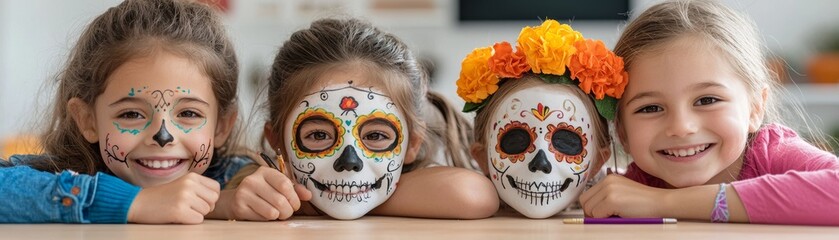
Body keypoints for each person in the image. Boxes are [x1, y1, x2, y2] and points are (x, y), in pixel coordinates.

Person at [579, 0, 839, 225]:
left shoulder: (771, 153)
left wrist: (663, 202)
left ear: (755, 108)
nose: (681, 127)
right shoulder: (631, 187)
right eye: (650, 108)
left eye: (707, 100)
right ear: (622, 130)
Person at [0, 0, 256, 224]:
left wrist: (224, 202)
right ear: (87, 120)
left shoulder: (233, 178)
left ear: (222, 125)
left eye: (189, 113)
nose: (163, 137)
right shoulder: (64, 175)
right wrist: (137, 202)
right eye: (131, 114)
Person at [259, 18, 498, 220]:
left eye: (375, 136)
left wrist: (320, 204)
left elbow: (475, 195)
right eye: (319, 135)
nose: (350, 161)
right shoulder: (255, 184)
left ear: (412, 144)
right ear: (277, 140)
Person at [458, 20, 625, 218]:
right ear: (482, 157)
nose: (541, 162)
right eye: (515, 140)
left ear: (597, 161)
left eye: (566, 142)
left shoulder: (626, 193)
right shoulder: (464, 195)